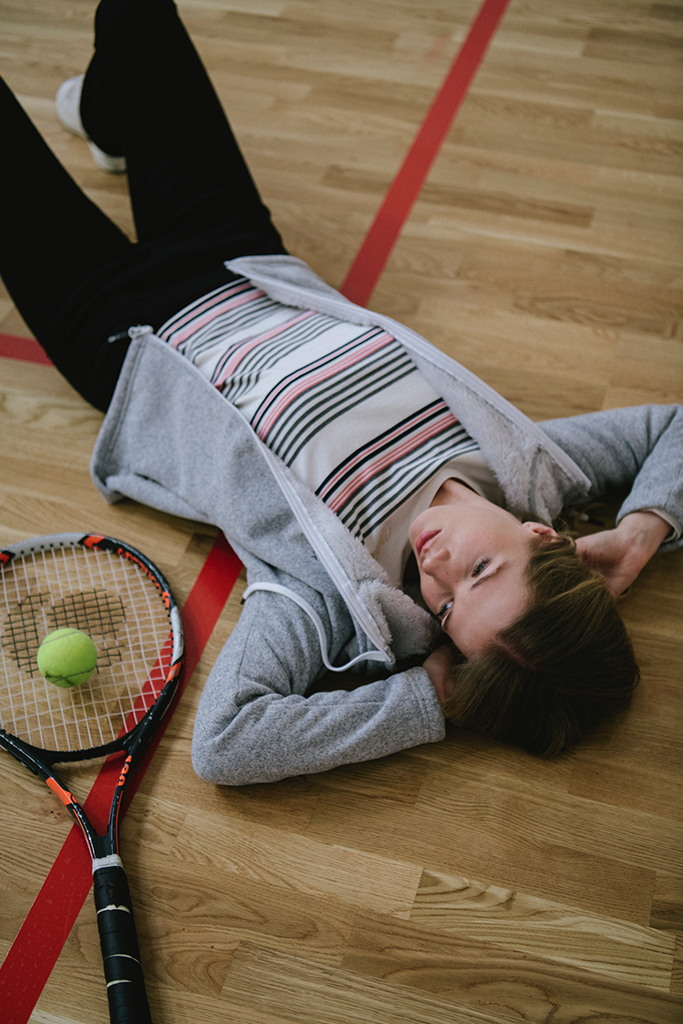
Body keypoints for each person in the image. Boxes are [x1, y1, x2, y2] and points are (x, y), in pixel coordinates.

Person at [2, 0, 681, 784]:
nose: (437, 575)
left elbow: (227, 744)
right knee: (135, 16)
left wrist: (432, 696)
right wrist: (638, 536)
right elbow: (669, 426)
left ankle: (109, 110)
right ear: (543, 537)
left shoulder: (335, 604)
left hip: (120, 332)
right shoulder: (534, 465)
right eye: (480, 571)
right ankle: (104, 112)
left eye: (448, 613)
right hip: (237, 253)